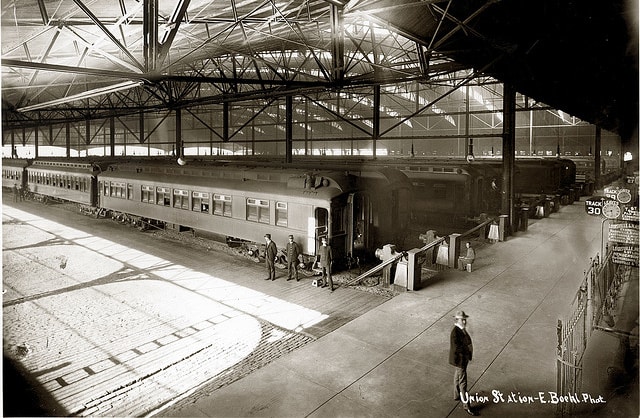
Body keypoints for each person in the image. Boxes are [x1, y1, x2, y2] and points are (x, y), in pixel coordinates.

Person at [449, 310, 478, 416]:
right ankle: (467, 406)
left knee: (457, 377)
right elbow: (457, 349)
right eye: (463, 320)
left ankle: (456, 395)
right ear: (457, 320)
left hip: (461, 361)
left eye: (465, 320)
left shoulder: (460, 329)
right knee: (463, 383)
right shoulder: (456, 332)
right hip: (461, 361)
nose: (465, 322)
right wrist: (465, 356)